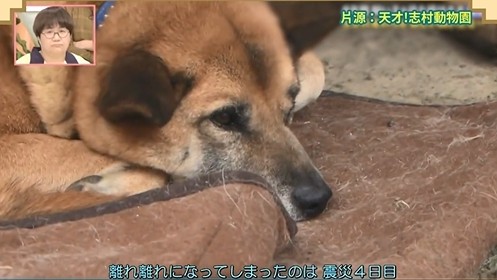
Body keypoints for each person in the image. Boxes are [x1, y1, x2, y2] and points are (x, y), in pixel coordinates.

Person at [16, 6, 90, 65]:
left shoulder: (83, 64)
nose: (56, 38)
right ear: (38, 38)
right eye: (49, 32)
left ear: (70, 36)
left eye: (62, 31)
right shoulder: (22, 64)